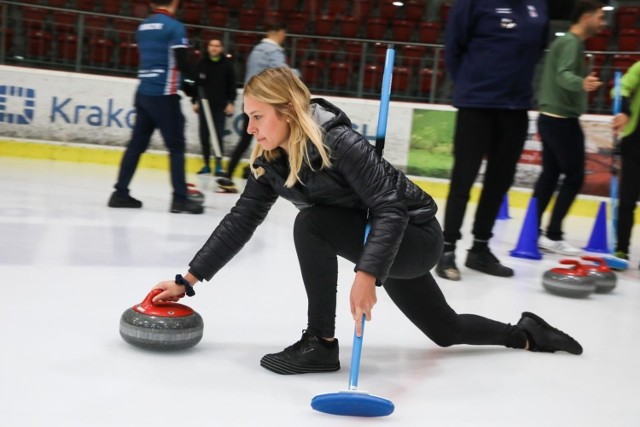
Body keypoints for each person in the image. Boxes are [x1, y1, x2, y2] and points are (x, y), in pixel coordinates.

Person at [151, 67, 582, 376]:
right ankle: (526, 333)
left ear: (286, 112)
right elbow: (241, 219)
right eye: (247, 117)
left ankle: (319, 343)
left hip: (412, 237)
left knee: (311, 223)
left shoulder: (339, 141)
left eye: (258, 116)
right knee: (444, 330)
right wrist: (188, 280)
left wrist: (366, 273)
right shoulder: (270, 163)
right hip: (375, 241)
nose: (250, 128)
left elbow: (390, 208)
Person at [437, 0, 550, 281]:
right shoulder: (472, 3)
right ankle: (446, 249)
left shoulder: (538, 5)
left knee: (499, 182)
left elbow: (537, 49)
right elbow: (454, 48)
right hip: (476, 104)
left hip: (516, 106)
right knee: (463, 179)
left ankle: (480, 249)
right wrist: (472, 84)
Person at [108, 0, 203, 214]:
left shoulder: (142, 27)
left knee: (136, 146)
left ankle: (120, 193)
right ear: (175, 3)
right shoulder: (174, 27)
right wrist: (193, 87)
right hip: (164, 95)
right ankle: (180, 199)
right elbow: (181, 62)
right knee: (176, 147)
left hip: (143, 94)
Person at [533, 0, 605, 255]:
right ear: (586, 17)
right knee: (574, 177)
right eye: (599, 16)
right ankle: (553, 233)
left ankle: (534, 231)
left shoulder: (567, 43)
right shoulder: (571, 43)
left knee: (550, 176)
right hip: (561, 120)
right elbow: (564, 74)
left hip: (551, 118)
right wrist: (581, 83)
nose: (602, 22)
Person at [216, 22, 294, 193]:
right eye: (284, 34)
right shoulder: (273, 52)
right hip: (265, 104)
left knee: (246, 139)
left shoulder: (256, 51)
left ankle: (231, 173)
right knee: (274, 139)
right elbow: (284, 74)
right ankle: (269, 175)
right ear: (279, 33)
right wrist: (298, 76)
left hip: (251, 101)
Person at [192, 38, 237, 177]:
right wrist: (195, 100)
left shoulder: (227, 66)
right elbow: (196, 84)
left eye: (217, 46)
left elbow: (232, 85)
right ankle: (206, 165)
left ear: (221, 48)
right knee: (204, 136)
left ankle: (218, 165)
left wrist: (231, 102)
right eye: (212, 45)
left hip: (220, 107)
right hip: (204, 107)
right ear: (208, 47)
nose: (214, 48)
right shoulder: (201, 64)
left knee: (217, 136)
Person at [612, 60, 640, 267]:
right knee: (627, 201)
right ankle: (621, 249)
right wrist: (623, 110)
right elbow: (622, 86)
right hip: (635, 143)